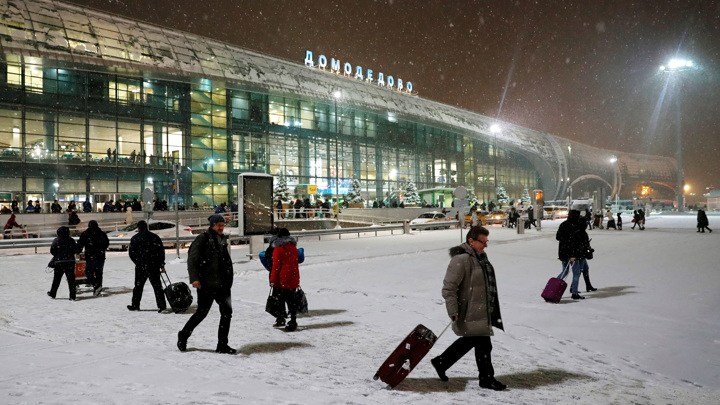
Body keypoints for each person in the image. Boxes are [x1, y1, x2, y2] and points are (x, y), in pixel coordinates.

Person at [430, 226, 506, 391]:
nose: (485, 246)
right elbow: (449, 288)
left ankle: (442, 363)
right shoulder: (461, 260)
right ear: (471, 241)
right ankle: (486, 379)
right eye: (482, 242)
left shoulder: (480, 257)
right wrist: (452, 310)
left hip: (480, 311)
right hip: (469, 311)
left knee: (475, 342)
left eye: (486, 242)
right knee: (482, 344)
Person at [177, 215, 235, 354]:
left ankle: (222, 344)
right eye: (218, 225)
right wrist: (194, 279)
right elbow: (193, 259)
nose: (221, 227)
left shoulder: (222, 239)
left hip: (223, 284)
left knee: (227, 313)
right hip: (207, 284)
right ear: (212, 225)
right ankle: (183, 335)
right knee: (202, 313)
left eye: (222, 225)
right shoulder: (203, 238)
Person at [127, 220, 167, 312]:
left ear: (138, 228)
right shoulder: (155, 237)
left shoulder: (135, 238)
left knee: (138, 286)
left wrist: (138, 262)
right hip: (154, 266)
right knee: (157, 286)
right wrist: (161, 264)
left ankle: (135, 305)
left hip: (141, 266)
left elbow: (131, 253)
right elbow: (161, 252)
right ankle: (162, 306)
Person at [556, 210, 592, 299]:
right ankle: (574, 293)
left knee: (565, 271)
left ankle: (554, 286)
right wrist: (573, 255)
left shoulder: (563, 224)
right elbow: (574, 242)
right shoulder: (575, 227)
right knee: (576, 272)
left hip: (562, 252)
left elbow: (558, 237)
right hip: (572, 254)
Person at [269, 228, 301, 331]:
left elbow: (276, 266)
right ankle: (293, 320)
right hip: (293, 277)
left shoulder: (278, 249)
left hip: (281, 279)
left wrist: (272, 280)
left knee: (279, 300)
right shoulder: (293, 248)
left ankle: (281, 319)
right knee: (292, 302)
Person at [76, 220, 110, 296]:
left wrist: (78, 251)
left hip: (90, 256)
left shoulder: (85, 234)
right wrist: (101, 250)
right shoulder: (102, 234)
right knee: (99, 273)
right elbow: (106, 243)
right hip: (100, 256)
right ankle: (98, 288)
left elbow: (80, 243)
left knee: (88, 272)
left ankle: (96, 285)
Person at [47, 226, 78, 300]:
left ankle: (53, 293)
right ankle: (72, 295)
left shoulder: (56, 240)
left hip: (59, 262)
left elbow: (52, 251)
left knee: (56, 279)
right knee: (71, 279)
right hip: (70, 262)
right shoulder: (71, 240)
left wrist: (58, 255)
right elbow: (75, 249)